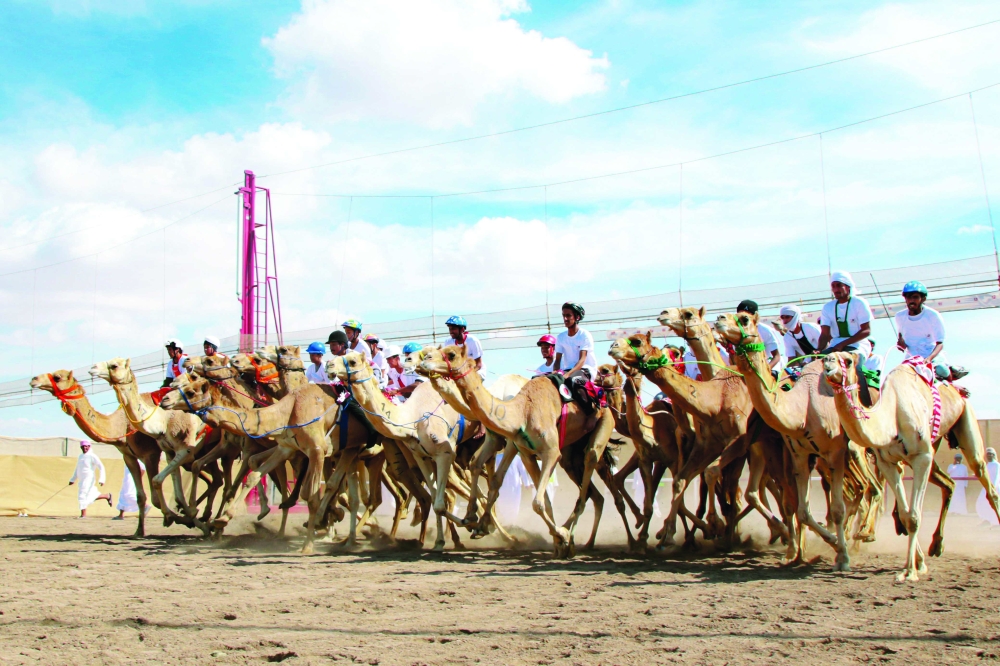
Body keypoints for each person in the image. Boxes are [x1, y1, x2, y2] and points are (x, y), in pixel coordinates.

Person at [894, 280, 967, 382]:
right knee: (896, 378)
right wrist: (901, 345)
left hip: (932, 357)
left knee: (942, 370)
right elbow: (901, 337)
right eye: (908, 297)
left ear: (923, 299)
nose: (911, 300)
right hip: (911, 359)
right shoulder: (899, 316)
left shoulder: (933, 315)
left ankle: (953, 385)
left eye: (915, 297)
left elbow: (940, 343)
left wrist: (928, 359)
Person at [328, 329, 379, 448]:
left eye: (334, 344)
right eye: (330, 345)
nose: (331, 347)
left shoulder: (354, 356)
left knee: (345, 400)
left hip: (362, 387)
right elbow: (332, 379)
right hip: (345, 388)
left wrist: (377, 382)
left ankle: (371, 429)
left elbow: (374, 367)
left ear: (342, 345)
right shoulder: (334, 361)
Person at [817, 271, 873, 358]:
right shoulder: (827, 307)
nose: (835, 289)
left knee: (857, 368)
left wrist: (842, 344)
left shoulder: (859, 303)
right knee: (816, 364)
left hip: (858, 346)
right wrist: (819, 350)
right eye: (833, 286)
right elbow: (824, 334)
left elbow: (866, 330)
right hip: (834, 347)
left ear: (848, 287)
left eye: (839, 285)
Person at [736, 300, 783, 375]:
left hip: (770, 367)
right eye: (741, 313)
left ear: (755, 315)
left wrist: (766, 370)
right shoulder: (736, 331)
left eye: (748, 314)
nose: (745, 317)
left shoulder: (765, 330)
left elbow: (776, 356)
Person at [553, 302, 597, 380]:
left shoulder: (584, 335)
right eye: (564, 316)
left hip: (585, 370)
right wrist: (555, 372)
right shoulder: (560, 337)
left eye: (568, 315)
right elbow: (557, 360)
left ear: (578, 317)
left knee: (572, 380)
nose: (565, 319)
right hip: (568, 370)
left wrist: (568, 374)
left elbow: (582, 360)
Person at [68, 441, 111, 518]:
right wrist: (72, 479)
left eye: (87, 446)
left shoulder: (92, 456)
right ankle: (107, 496)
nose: (85, 448)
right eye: (83, 446)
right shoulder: (80, 456)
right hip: (82, 479)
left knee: (82, 495)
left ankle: (83, 515)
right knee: (90, 495)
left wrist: (102, 479)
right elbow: (77, 469)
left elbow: (101, 467)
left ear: (89, 447)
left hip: (89, 479)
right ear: (81, 447)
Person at [976, 448, 1000, 525]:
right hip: (986, 487)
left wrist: (993, 488)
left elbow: (996, 477)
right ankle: (987, 520)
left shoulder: (997, 465)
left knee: (994, 505)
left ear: (994, 455)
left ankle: (996, 523)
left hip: (994, 488)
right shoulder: (987, 465)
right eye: (988, 454)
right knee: (981, 503)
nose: (989, 455)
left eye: (990, 454)